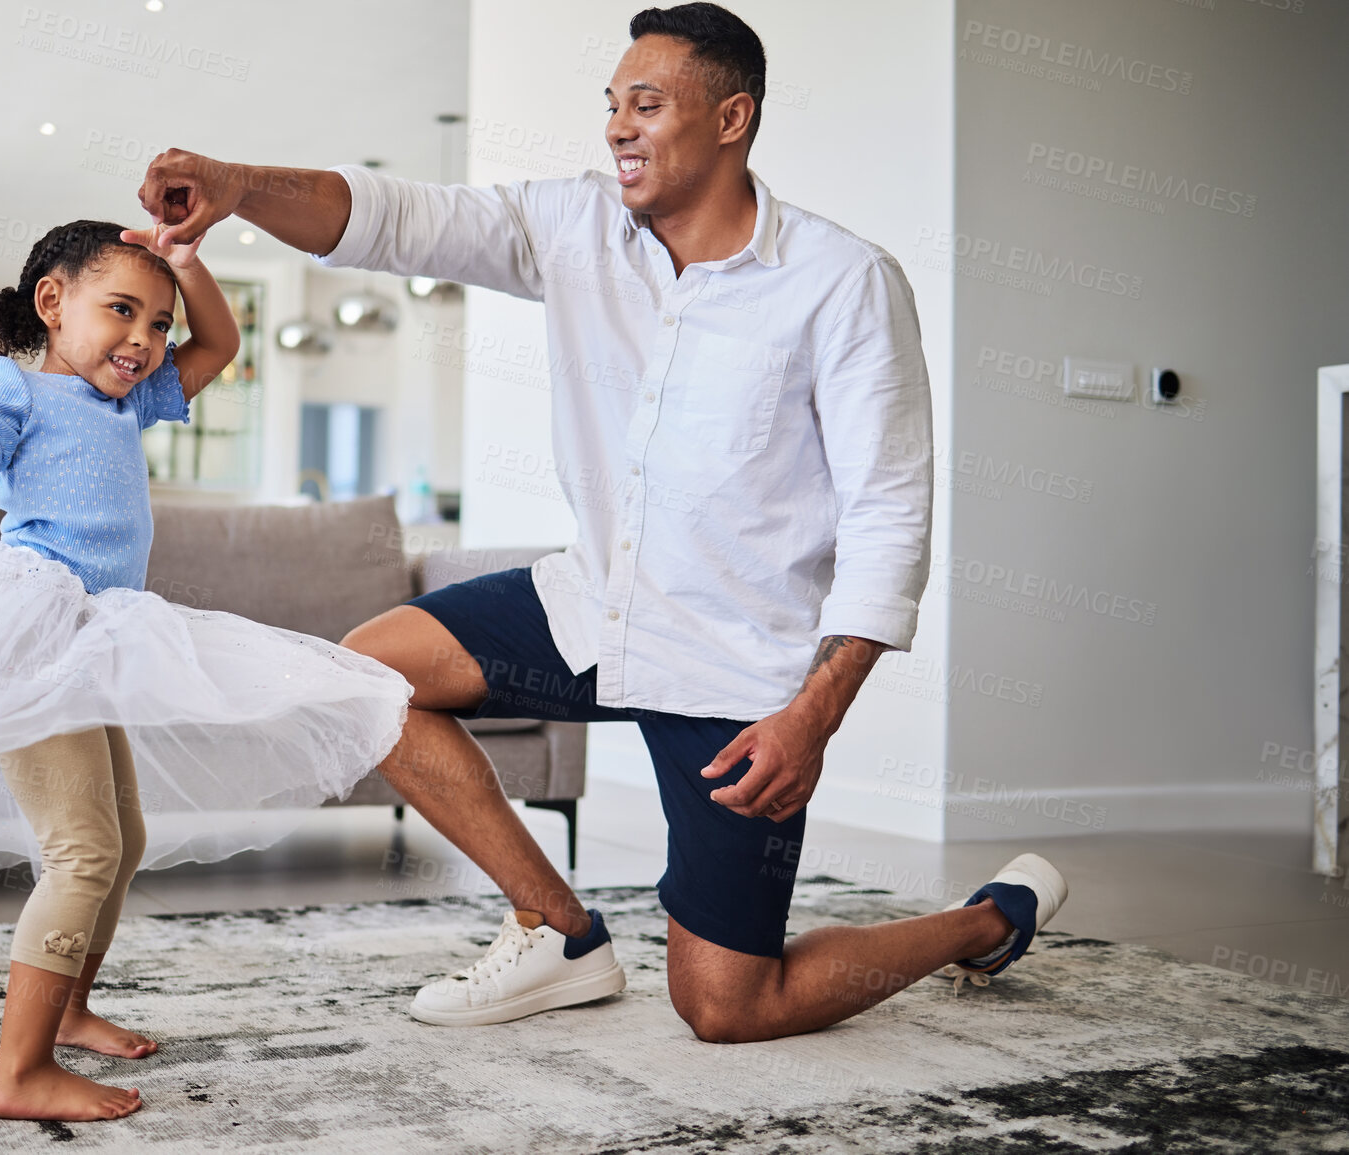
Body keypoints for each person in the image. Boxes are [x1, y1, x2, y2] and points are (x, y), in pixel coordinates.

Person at [128, 0, 1069, 1043]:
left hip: (740, 677)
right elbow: (399, 220)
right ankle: (560, 930)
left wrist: (813, 714)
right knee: (371, 673)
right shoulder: (574, 226)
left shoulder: (843, 284)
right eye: (612, 104)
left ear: (731, 118)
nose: (618, 126)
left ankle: (985, 920)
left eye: (648, 103)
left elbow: (892, 512)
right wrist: (240, 188)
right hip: (595, 612)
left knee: (728, 1008)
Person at [0, 221, 412, 1120]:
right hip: (28, 630)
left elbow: (222, 341)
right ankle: (17, 1069)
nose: (146, 340)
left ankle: (69, 1008)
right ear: (53, 302)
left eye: (158, 322)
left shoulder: (133, 399)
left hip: (91, 635)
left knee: (124, 838)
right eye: (123, 310)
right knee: (85, 850)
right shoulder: (14, 385)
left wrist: (187, 265)